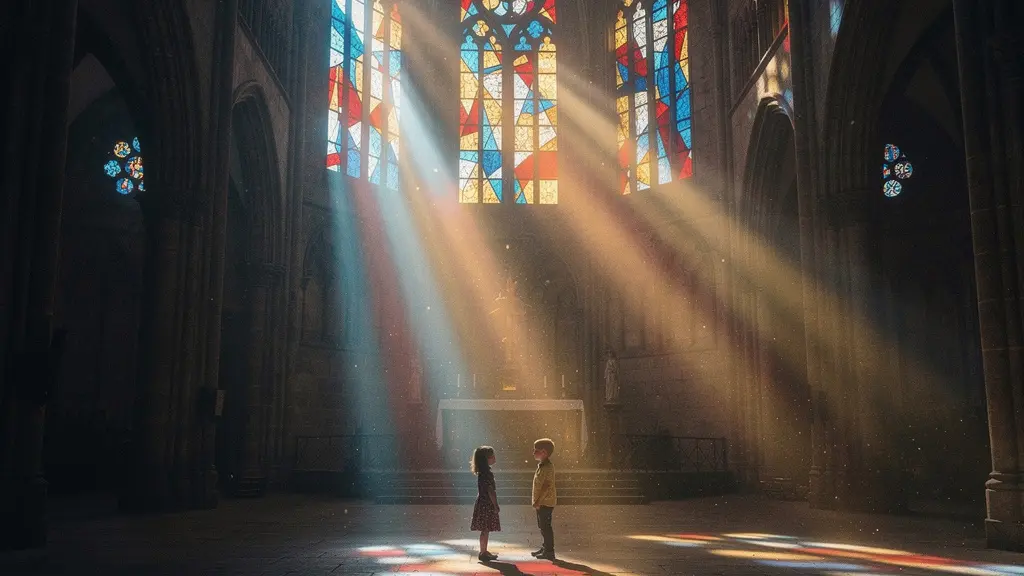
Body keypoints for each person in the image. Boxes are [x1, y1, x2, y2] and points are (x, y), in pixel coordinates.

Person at [470, 446, 500, 561]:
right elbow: (490, 491)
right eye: (492, 456)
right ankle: (483, 552)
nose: (494, 458)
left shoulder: (482, 472)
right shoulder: (487, 474)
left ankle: (484, 551)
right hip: (487, 503)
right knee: (485, 529)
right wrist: (495, 504)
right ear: (486, 459)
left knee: (485, 529)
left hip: (482, 502)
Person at [530, 438, 557, 560]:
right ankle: (545, 547)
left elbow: (546, 486)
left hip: (545, 502)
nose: (533, 453)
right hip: (542, 502)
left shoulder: (548, 467)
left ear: (544, 452)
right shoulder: (542, 465)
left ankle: (549, 551)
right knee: (542, 526)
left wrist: (537, 501)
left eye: (536, 450)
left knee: (546, 526)